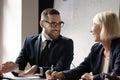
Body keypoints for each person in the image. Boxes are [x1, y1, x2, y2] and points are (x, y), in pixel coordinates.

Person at [45, 11, 120, 80]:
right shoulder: (96, 48)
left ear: (104, 27)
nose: (91, 30)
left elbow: (115, 76)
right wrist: (61, 74)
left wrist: (92, 77)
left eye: (93, 25)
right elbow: (82, 69)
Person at [0, 8, 74, 78]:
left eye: (60, 24)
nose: (58, 28)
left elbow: (62, 70)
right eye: (53, 24)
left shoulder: (67, 43)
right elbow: (19, 68)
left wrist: (38, 70)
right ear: (42, 24)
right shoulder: (29, 41)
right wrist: (14, 67)